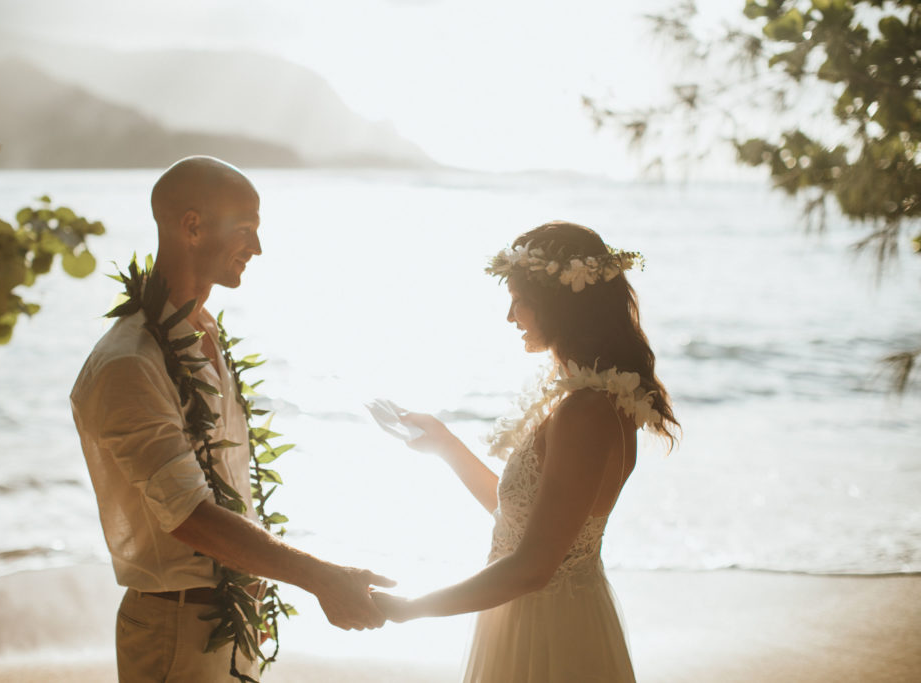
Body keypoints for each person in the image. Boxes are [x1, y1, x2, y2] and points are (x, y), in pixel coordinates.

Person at [70, 156, 393, 682]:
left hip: (226, 615)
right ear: (192, 226)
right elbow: (189, 513)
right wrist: (323, 579)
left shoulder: (206, 332)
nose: (257, 248)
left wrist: (252, 585)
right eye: (245, 229)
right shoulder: (132, 360)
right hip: (176, 629)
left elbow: (227, 483)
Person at [372, 221, 680, 682]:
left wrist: (410, 610)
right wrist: (445, 445)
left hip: (548, 630)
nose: (511, 317)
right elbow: (522, 519)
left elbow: (532, 568)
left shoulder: (586, 412)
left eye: (519, 301)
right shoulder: (587, 398)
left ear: (559, 307)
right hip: (535, 615)